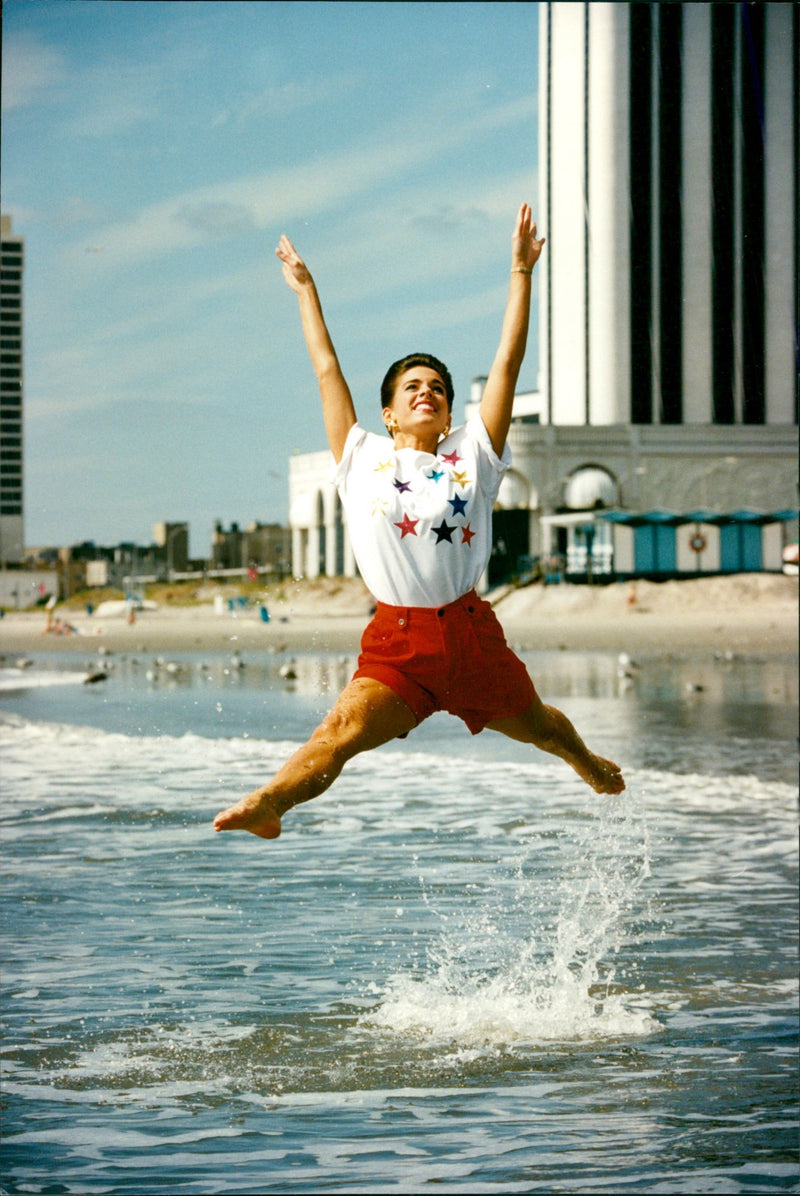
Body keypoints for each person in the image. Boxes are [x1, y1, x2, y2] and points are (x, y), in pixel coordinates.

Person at [214, 204, 624, 841]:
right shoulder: (360, 456)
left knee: (541, 725)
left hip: (471, 634)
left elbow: (509, 364)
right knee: (340, 732)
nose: (426, 392)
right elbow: (326, 369)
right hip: (399, 645)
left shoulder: (474, 454)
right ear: (389, 413)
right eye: (412, 387)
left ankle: (587, 762)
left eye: (437, 385)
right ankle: (270, 801)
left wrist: (521, 272)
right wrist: (307, 292)